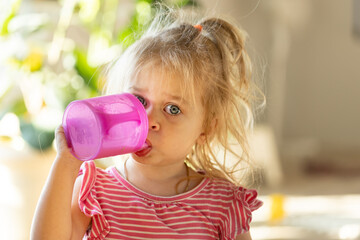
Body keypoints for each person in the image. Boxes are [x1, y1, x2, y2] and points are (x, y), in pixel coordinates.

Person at [31, 6, 264, 240]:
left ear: (206, 129)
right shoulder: (95, 191)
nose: (149, 120)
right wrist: (65, 164)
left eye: (173, 109)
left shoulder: (221, 204)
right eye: (140, 100)